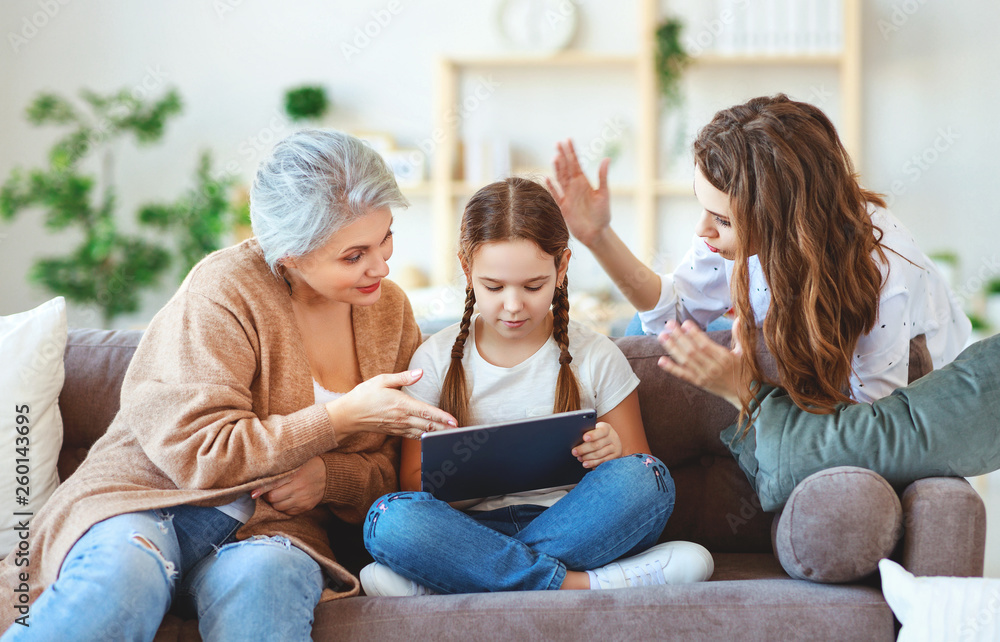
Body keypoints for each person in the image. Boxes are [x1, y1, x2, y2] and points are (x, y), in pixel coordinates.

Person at [0, 130, 457, 641]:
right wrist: (338, 419)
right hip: (149, 499)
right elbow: (202, 454)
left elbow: (399, 469)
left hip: (272, 532)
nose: (381, 265)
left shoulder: (390, 313)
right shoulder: (225, 289)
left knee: (268, 581)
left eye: (386, 237)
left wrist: (331, 477)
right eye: (353, 256)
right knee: (125, 575)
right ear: (290, 255)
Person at [359, 177, 713, 597]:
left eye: (533, 286)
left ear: (561, 269)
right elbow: (412, 485)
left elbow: (639, 466)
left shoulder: (597, 355)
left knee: (647, 478)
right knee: (390, 517)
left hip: (571, 524)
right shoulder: (433, 361)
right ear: (466, 269)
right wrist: (453, 472)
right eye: (494, 287)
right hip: (468, 530)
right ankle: (582, 584)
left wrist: (611, 450)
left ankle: (463, 579)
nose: (513, 305)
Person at [548, 94, 970, 422]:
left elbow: (868, 424)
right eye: (704, 207)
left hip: (913, 365)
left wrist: (741, 388)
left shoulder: (883, 276)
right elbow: (673, 313)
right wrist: (598, 237)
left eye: (721, 220)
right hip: (781, 298)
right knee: (641, 325)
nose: (702, 230)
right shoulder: (739, 223)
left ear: (782, 221)